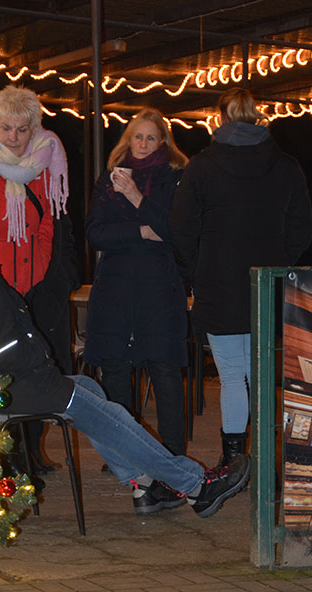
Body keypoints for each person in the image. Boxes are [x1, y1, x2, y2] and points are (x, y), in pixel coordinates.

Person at [0, 191, 250, 519]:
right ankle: (197, 486)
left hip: (11, 382)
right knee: (104, 417)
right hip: (12, 386)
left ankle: (144, 486)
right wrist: (41, 367)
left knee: (92, 390)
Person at [170, 88, 312, 468]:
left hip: (219, 284)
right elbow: (303, 227)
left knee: (233, 375)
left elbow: (181, 228)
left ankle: (234, 463)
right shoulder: (286, 166)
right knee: (265, 375)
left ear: (219, 119)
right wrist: (280, 263)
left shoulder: (201, 166)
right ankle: (267, 458)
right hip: (268, 285)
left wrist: (196, 272)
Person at [0, 85, 79, 478]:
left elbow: (50, 223)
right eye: (6, 128)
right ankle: (1, 458)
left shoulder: (44, 163)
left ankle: (32, 449)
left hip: (32, 287)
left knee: (38, 366)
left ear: (33, 128)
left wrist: (39, 267)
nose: (14, 137)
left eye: (22, 129)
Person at [84, 108, 189, 482]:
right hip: (114, 287)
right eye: (137, 137)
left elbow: (176, 230)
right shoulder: (107, 178)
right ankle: (125, 454)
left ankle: (174, 457)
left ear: (163, 142)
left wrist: (135, 198)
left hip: (159, 287)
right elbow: (96, 234)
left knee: (163, 369)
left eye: (150, 138)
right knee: (116, 369)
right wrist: (141, 232)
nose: (142, 145)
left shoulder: (175, 178)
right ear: (127, 140)